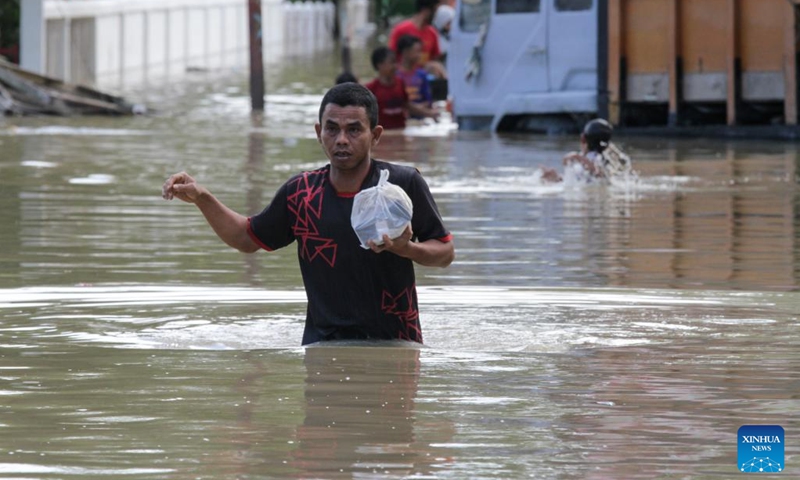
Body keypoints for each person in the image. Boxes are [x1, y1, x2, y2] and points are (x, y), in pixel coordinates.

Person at [161, 83, 454, 346]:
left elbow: (445, 252)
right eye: (332, 129)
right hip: (322, 348)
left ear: (375, 135)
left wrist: (407, 248)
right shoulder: (301, 193)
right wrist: (203, 198)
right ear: (318, 133)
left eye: (354, 129)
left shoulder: (401, 184)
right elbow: (246, 238)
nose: (341, 139)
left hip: (396, 347)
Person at [364, 46, 438, 130]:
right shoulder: (371, 89)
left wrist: (430, 113)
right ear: (380, 65)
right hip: (383, 135)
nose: (395, 66)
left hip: (401, 131)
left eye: (396, 62)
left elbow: (407, 105)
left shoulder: (400, 83)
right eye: (392, 62)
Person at [540, 118, 633, 183]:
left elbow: (597, 174)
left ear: (583, 138)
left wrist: (577, 157)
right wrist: (556, 178)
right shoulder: (606, 159)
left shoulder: (595, 158)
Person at [388, 0, 447, 79]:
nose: (437, 16)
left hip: (423, 80)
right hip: (402, 79)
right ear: (425, 11)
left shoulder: (433, 33)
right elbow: (390, 58)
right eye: (435, 11)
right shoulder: (401, 30)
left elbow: (435, 59)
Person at [396, 35, 435, 119]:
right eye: (417, 51)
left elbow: (428, 101)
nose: (420, 55)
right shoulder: (395, 75)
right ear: (406, 52)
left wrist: (417, 108)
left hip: (420, 118)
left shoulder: (422, 75)